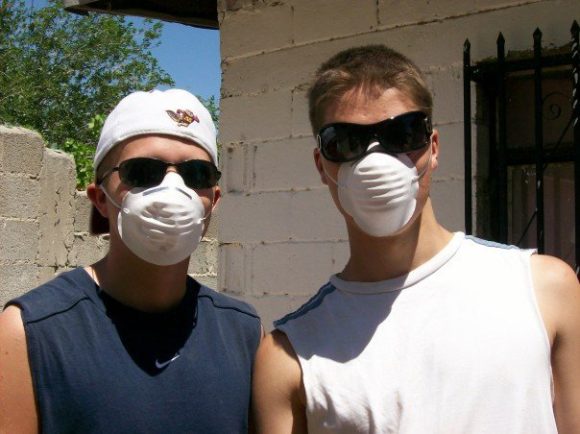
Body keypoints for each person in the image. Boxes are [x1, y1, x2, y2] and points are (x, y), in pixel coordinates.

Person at [252, 45, 580, 433]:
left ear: (433, 147)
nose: (376, 161)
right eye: (345, 142)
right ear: (323, 166)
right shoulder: (290, 355)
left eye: (402, 133)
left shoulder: (543, 289)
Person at [0, 89, 262, 434]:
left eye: (196, 174)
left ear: (213, 200)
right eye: (142, 172)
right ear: (100, 199)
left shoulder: (243, 331)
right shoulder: (31, 333)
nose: (173, 189)